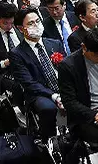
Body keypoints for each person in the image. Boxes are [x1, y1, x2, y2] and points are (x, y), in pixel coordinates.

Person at [10, 8, 66, 143]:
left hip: (62, 86)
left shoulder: (54, 43)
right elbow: (28, 83)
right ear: (20, 28)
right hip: (39, 92)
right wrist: (54, 96)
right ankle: (50, 142)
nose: (36, 25)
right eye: (31, 23)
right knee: (47, 108)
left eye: (38, 21)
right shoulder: (17, 54)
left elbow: (67, 69)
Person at [58, 25, 98, 152]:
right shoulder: (68, 66)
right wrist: (94, 115)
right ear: (84, 47)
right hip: (88, 114)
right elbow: (69, 102)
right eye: (97, 55)